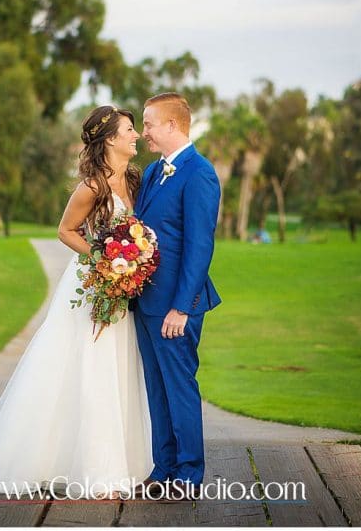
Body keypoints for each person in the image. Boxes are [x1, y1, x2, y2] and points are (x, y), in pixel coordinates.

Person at [0, 105, 153, 499]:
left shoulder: (135, 179)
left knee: (119, 367)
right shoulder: (92, 187)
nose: (136, 135)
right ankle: (98, 473)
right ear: (110, 138)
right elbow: (65, 230)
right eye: (129, 129)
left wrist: (131, 263)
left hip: (123, 287)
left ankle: (122, 466)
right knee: (93, 369)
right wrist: (104, 259)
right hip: (94, 285)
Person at [135, 92, 221, 497]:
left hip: (175, 307)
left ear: (172, 125)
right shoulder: (154, 172)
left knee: (179, 388)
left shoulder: (200, 173)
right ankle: (163, 470)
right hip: (146, 303)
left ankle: (188, 477)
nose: (144, 132)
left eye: (148, 124)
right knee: (157, 389)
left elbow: (200, 247)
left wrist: (181, 308)